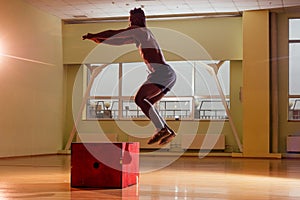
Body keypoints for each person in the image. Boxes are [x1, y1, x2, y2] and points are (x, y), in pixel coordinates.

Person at [82, 8, 176, 145]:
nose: (129, 23)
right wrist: (101, 41)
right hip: (168, 74)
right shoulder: (141, 35)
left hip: (162, 73)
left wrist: (94, 35)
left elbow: (113, 33)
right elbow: (119, 41)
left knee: (139, 99)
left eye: (131, 20)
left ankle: (161, 128)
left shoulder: (141, 31)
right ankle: (167, 130)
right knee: (147, 104)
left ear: (138, 20)